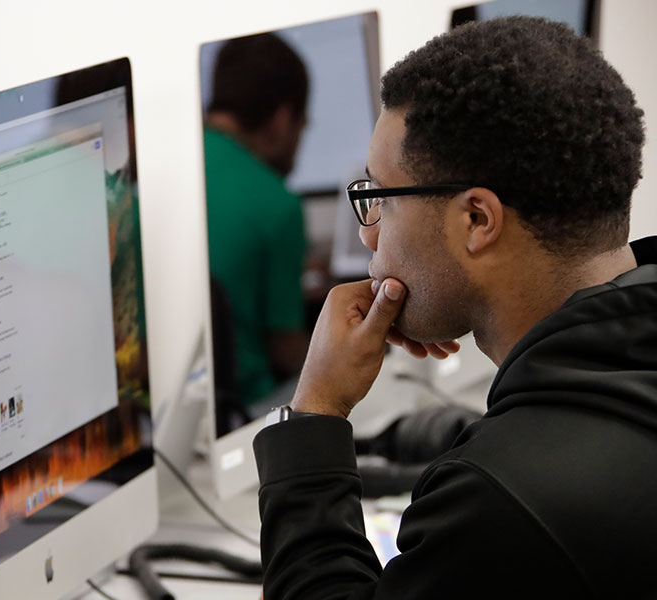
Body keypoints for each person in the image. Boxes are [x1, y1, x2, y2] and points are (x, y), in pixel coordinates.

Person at [254, 16, 657, 599]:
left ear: (476, 220)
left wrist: (316, 414)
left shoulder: (503, 499)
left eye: (380, 200)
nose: (368, 238)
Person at [204, 32, 310, 417]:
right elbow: (286, 352)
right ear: (282, 122)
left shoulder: (153, 178)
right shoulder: (276, 204)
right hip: (245, 411)